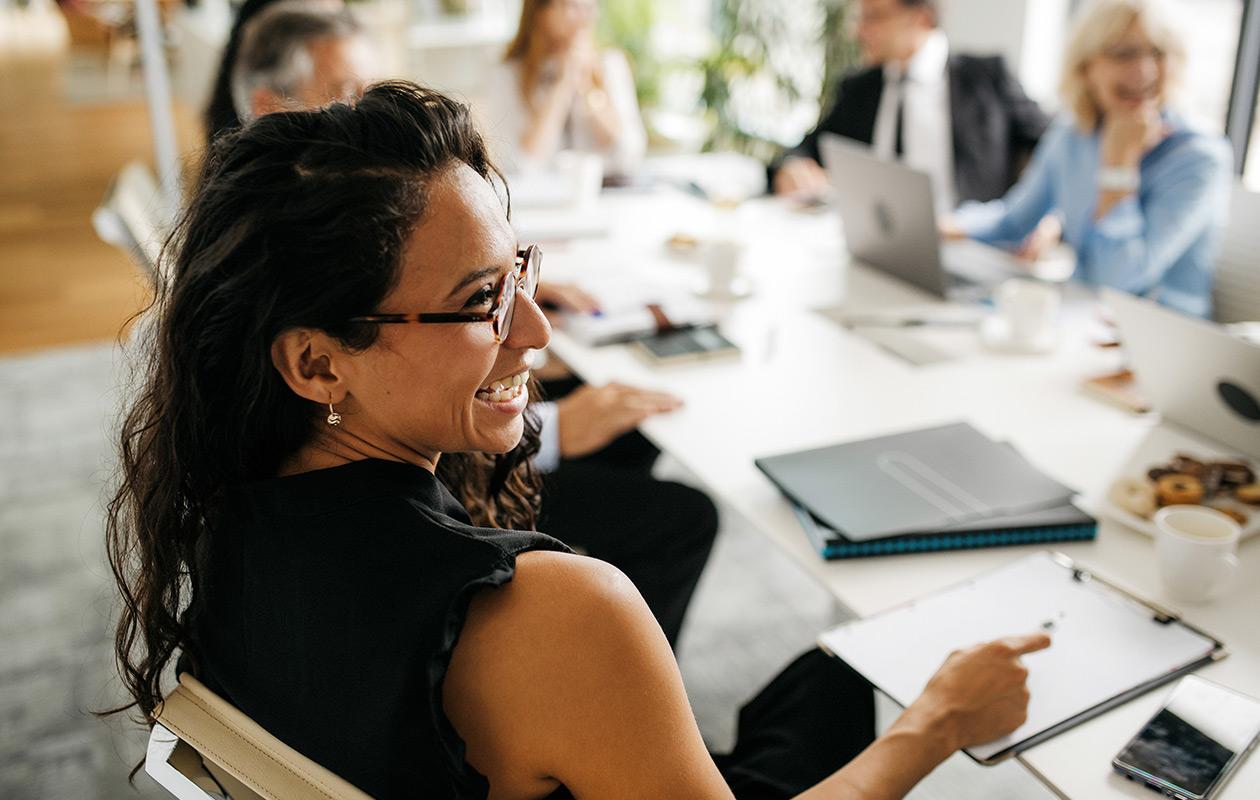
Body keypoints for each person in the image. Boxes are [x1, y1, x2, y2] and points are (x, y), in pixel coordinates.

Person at [106, 81, 1047, 799]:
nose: (536, 333)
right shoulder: (563, 617)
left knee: (830, 673)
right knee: (855, 682)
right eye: (482, 303)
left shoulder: (225, 508)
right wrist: (934, 728)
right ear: (318, 365)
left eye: (518, 274)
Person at [221, 0, 717, 647]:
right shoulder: (506, 602)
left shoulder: (263, 520)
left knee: (634, 436)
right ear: (317, 365)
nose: (370, 113)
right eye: (348, 98)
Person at [946, 0, 1232, 319]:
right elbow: (1013, 221)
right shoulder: (1072, 135)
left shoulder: (1199, 157)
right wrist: (946, 225)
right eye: (1124, 54)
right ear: (1086, 67)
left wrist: (1119, 166)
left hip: (1157, 333)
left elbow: (1118, 280)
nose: (1146, 71)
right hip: (1081, 315)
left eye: (1158, 53)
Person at [772, 0, 1049, 211]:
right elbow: (807, 147)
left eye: (875, 17)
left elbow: (1053, 144)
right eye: (860, 17)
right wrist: (793, 167)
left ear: (921, 18)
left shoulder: (986, 77)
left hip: (967, 243)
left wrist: (1043, 214)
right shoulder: (861, 87)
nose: (859, 31)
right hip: (878, 245)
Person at [481, 0, 647, 177]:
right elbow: (518, 163)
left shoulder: (610, 64)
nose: (585, 17)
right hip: (542, 196)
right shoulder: (508, 75)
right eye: (573, 7)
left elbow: (628, 153)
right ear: (540, 12)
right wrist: (563, 84)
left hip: (610, 194)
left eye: (590, 7)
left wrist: (588, 86)